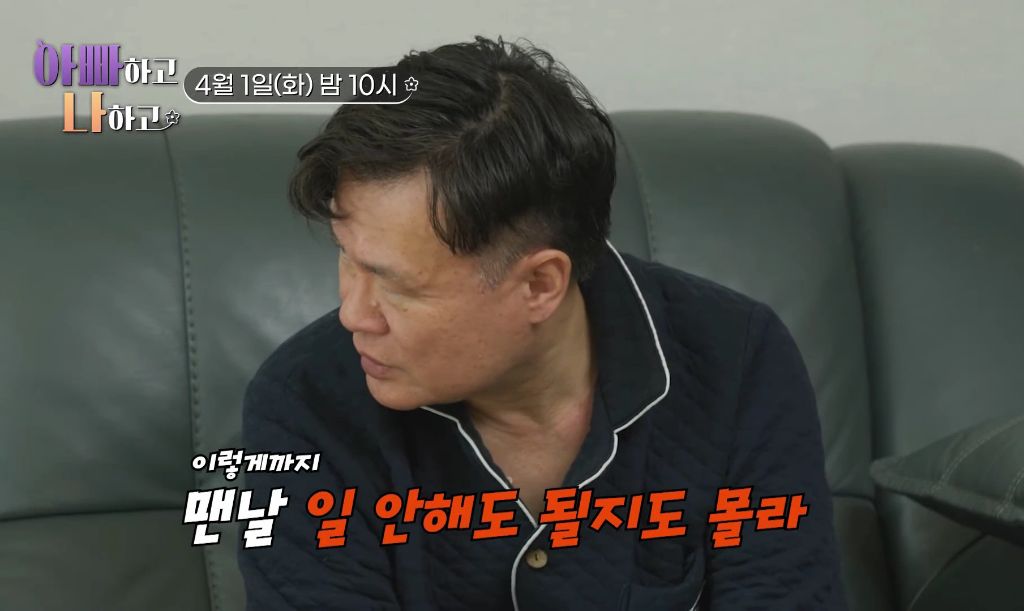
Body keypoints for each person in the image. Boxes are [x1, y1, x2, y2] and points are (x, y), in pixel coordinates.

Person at [237, 35, 848, 611]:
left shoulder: (735, 359)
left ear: (539, 284)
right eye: (347, 258)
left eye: (397, 285)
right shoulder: (303, 403)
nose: (353, 314)